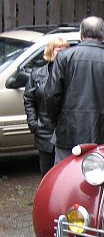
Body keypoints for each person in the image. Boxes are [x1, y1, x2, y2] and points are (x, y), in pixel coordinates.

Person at [45, 16, 104, 164]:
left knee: (66, 180)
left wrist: (58, 122)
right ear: (102, 34)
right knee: (101, 182)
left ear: (81, 34)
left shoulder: (64, 58)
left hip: (68, 132)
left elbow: (52, 96)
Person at [24, 37, 70, 176]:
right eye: (58, 50)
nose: (61, 54)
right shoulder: (37, 74)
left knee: (65, 175)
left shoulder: (72, 73)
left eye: (64, 50)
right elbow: (29, 98)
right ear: (51, 52)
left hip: (66, 132)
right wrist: (33, 123)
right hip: (44, 131)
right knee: (47, 175)